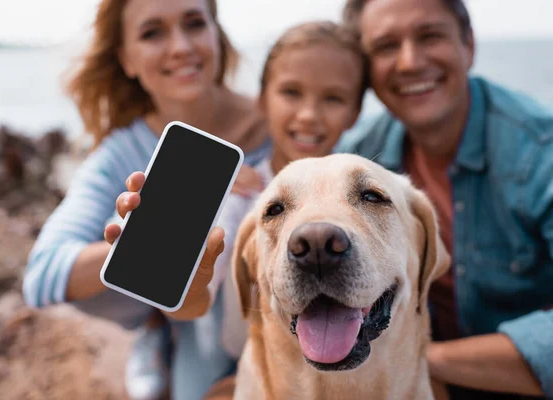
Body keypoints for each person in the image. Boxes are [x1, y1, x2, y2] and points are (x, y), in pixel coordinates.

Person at [21, 0, 271, 399]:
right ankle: (156, 325)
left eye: (194, 24)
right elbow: (43, 275)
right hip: (189, 311)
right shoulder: (121, 153)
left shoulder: (283, 117)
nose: (181, 47)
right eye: (152, 33)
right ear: (127, 60)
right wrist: (158, 229)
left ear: (216, 34)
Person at [104, 19, 368, 398]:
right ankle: (159, 338)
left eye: (333, 98)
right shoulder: (241, 192)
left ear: (357, 112)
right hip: (228, 342)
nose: (309, 114)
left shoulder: (367, 197)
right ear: (261, 101)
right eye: (291, 93)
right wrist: (185, 282)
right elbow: (192, 305)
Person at [334, 0, 553, 398]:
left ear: (468, 44)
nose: (409, 62)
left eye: (430, 36)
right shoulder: (357, 156)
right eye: (385, 47)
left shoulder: (541, 152)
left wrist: (419, 357)